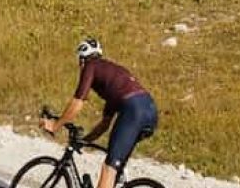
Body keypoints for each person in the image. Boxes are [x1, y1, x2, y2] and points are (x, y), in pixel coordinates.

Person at [40, 38, 159, 188]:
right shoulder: (112, 77)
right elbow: (104, 124)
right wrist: (85, 141)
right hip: (150, 110)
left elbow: (77, 103)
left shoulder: (91, 66)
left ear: (82, 60)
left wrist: (55, 125)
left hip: (133, 111)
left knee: (109, 168)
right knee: (115, 166)